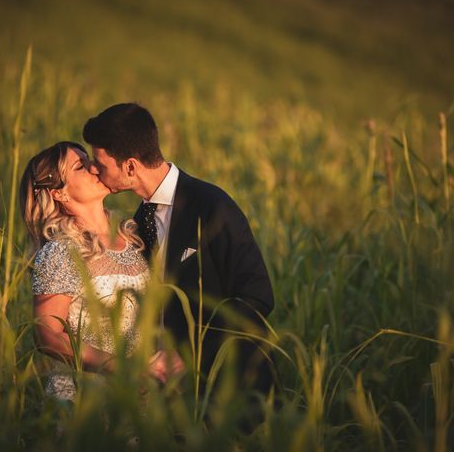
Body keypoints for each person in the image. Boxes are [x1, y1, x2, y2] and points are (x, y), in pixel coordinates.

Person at [82, 103, 277, 412]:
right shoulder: (140, 218)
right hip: (173, 401)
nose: (93, 168)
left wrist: (188, 354)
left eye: (99, 161)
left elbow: (257, 296)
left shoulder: (212, 206)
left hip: (230, 392)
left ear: (130, 167)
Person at [19, 141, 173, 402]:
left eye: (89, 160)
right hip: (86, 397)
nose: (94, 168)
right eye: (80, 166)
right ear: (59, 194)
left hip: (141, 395)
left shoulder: (134, 236)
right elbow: (48, 337)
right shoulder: (61, 251)